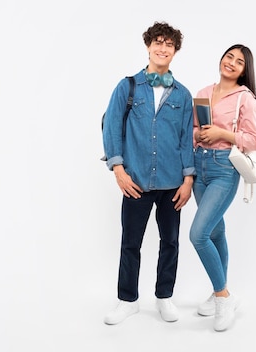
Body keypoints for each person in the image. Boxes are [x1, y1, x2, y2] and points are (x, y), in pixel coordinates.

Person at [102, 21, 195, 325]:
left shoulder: (182, 95)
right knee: (131, 242)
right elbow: (112, 127)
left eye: (169, 44)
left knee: (170, 242)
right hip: (136, 181)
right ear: (148, 46)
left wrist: (188, 179)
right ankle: (126, 300)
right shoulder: (127, 86)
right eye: (158, 42)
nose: (163, 48)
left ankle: (164, 297)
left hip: (172, 183)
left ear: (175, 51)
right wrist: (118, 169)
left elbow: (185, 138)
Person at [189, 44, 256, 332]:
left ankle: (224, 297)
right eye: (229, 56)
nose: (231, 63)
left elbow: (255, 139)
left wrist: (222, 134)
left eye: (239, 61)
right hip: (200, 166)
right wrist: (199, 133)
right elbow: (193, 130)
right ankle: (219, 289)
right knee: (216, 231)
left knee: (198, 234)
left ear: (245, 70)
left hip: (223, 169)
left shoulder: (245, 99)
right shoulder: (204, 92)